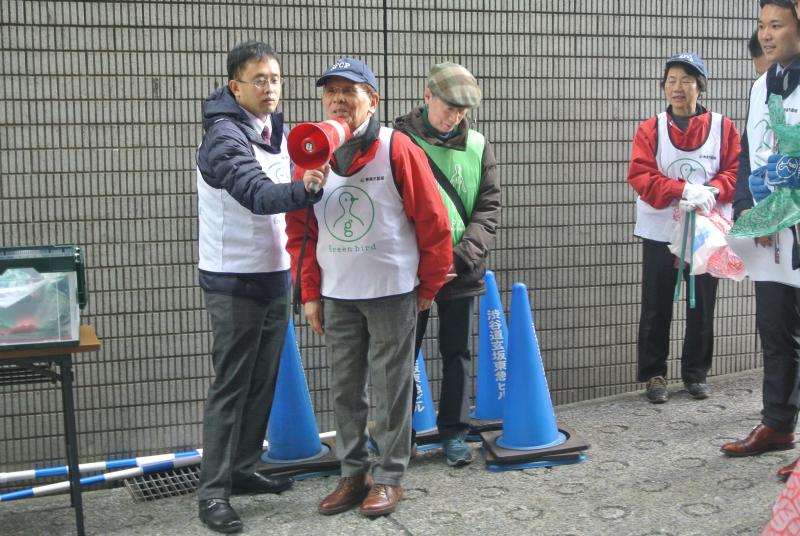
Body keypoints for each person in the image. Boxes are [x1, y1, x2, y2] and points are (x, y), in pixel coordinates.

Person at [286, 57, 451, 517]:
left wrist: (428, 285)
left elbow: (433, 222)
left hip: (392, 290)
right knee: (344, 388)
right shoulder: (309, 155)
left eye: (350, 91)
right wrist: (311, 293)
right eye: (330, 91)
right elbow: (300, 232)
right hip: (338, 294)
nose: (338, 99)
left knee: (391, 386)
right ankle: (353, 472)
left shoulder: (395, 148)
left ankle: (390, 475)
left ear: (372, 100)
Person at [195, 41, 325, 533]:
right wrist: (306, 188)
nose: (269, 87)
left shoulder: (277, 130)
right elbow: (255, 193)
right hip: (232, 280)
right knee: (231, 386)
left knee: (262, 382)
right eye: (259, 79)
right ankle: (212, 494)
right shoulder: (224, 138)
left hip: (274, 275)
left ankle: (243, 468)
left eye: (275, 78)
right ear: (236, 86)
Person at [393, 62, 500, 467]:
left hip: (460, 267)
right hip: (411, 269)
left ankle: (454, 433)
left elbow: (488, 208)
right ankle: (398, 437)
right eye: (448, 106)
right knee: (402, 355)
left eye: (462, 109)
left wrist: (460, 256)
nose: (455, 115)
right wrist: (425, 261)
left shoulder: (477, 144)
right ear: (426, 96)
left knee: (457, 353)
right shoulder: (397, 141)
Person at [627, 52, 740, 404]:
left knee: (702, 304)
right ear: (663, 87)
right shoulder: (651, 128)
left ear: (700, 88)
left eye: (687, 81)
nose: (679, 88)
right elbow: (641, 175)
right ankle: (653, 374)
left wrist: (715, 190)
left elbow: (737, 170)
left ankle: (696, 373)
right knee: (656, 302)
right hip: (662, 230)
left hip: (705, 232)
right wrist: (681, 189)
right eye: (672, 80)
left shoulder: (724, 127)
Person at [722, 0, 800, 480]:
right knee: (774, 329)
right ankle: (777, 423)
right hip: (771, 231)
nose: (766, 35)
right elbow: (750, 151)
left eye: (777, 25)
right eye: (761, 26)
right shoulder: (761, 84)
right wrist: (745, 208)